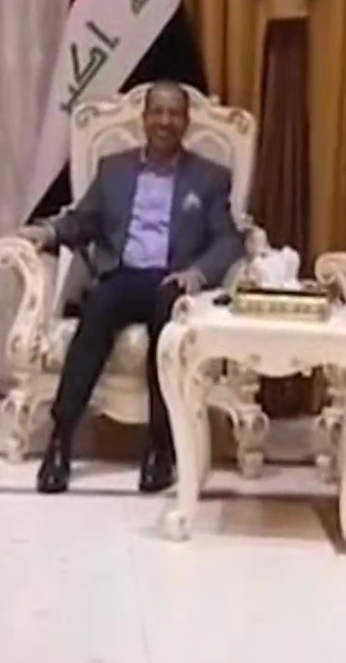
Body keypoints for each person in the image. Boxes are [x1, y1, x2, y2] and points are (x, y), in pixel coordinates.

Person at [18, 82, 243, 495]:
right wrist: (48, 232)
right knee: (97, 308)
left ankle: (160, 446)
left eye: (174, 114)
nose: (164, 121)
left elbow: (228, 239)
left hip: (171, 280)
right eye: (157, 112)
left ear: (186, 123)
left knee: (166, 322)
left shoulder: (209, 178)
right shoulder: (114, 170)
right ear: (144, 118)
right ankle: (60, 440)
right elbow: (83, 220)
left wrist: (197, 273)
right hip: (122, 275)